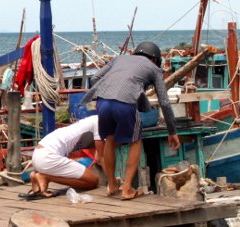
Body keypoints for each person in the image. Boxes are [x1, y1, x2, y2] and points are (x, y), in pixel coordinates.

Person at [82, 41, 180, 198]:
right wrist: (172, 131)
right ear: (155, 59)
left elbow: (95, 78)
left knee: (109, 140)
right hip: (125, 104)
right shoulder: (154, 69)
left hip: (102, 102)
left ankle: (112, 185)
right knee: (135, 141)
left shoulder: (119, 59)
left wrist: (109, 90)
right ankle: (127, 188)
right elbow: (165, 102)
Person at [29, 115, 104, 198]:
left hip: (38, 155)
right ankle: (45, 177)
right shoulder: (98, 121)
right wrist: (113, 181)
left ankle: (36, 175)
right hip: (49, 157)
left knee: (88, 178)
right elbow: (101, 157)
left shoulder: (85, 123)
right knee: (93, 181)